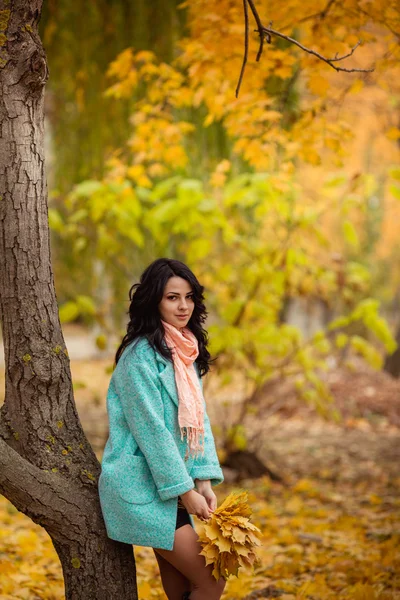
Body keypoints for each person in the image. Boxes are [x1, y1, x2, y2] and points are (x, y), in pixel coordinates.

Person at [98, 258, 226, 600]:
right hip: (142, 485)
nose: (183, 306)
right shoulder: (139, 357)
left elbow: (199, 422)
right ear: (154, 300)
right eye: (172, 297)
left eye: (188, 297)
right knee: (212, 580)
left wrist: (204, 479)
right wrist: (187, 493)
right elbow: (152, 433)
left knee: (184, 587)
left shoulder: (184, 352)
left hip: (174, 483)